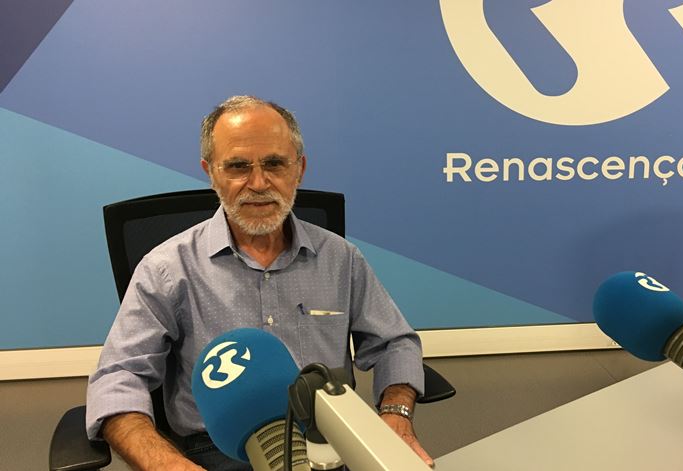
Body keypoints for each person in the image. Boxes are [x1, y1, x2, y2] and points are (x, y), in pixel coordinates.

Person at [85, 95, 433, 470]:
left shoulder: (341, 258)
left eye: (274, 164)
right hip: (219, 452)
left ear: (299, 169)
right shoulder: (167, 268)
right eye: (237, 166)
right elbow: (118, 378)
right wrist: (164, 463)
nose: (258, 182)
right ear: (211, 171)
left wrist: (396, 411)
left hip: (329, 441)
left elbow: (396, 342)